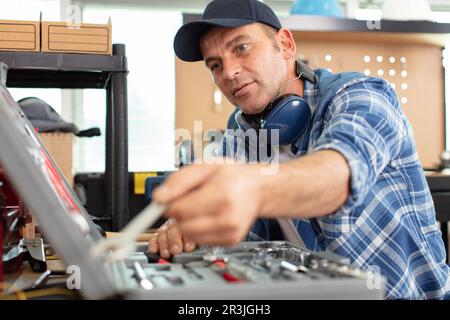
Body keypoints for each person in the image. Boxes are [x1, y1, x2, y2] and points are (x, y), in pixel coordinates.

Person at [148, 0, 450, 299]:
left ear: (285, 45)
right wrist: (194, 226)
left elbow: (337, 177)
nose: (228, 72)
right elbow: (241, 245)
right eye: (214, 64)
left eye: (241, 48)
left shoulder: (361, 96)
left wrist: (252, 189)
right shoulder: (241, 134)